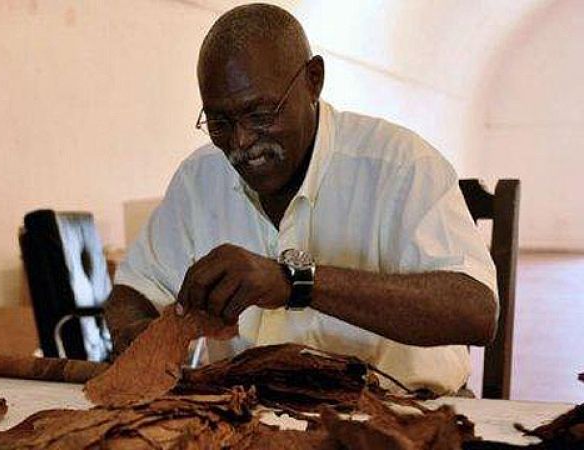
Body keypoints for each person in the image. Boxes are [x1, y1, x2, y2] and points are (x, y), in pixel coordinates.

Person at [104, 3, 497, 394]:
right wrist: (140, 337)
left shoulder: (402, 166)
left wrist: (293, 283)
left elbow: (475, 312)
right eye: (220, 122)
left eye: (261, 114)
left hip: (403, 411)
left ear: (313, 80)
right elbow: (132, 292)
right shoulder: (200, 178)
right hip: (246, 413)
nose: (241, 142)